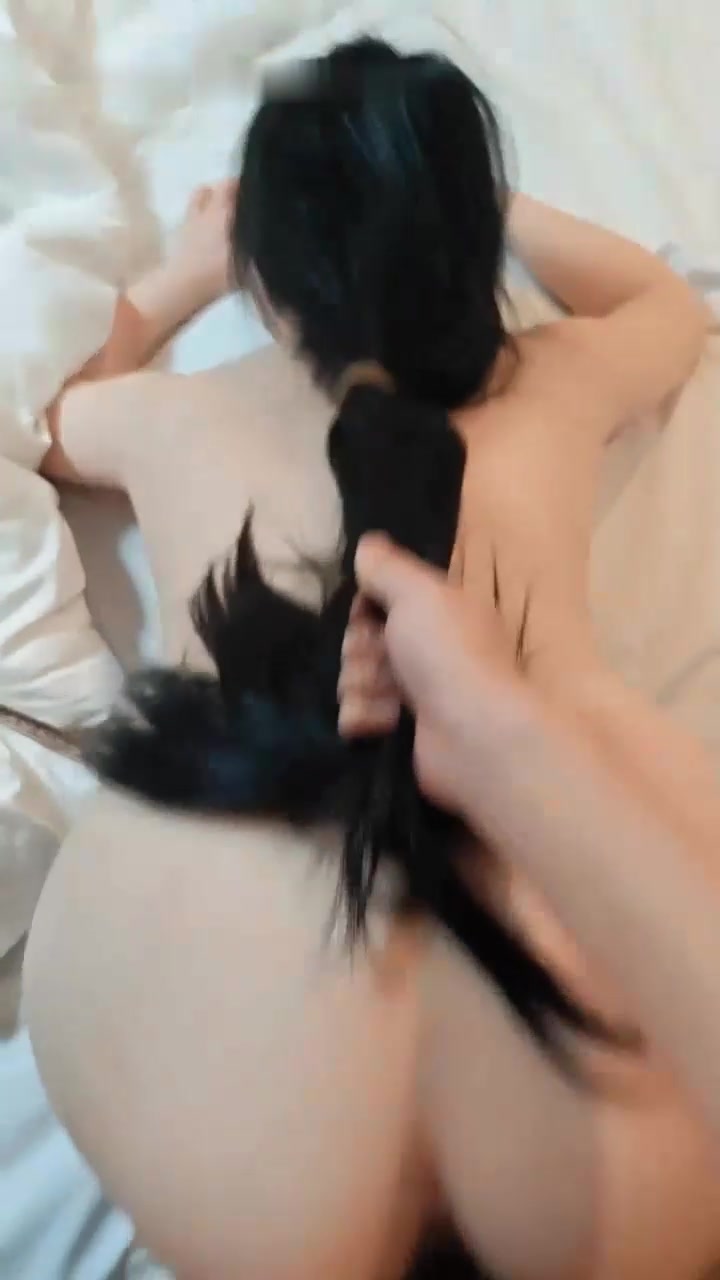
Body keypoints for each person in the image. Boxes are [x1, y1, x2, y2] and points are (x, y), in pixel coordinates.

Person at [23, 37, 720, 1280]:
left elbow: (54, 413)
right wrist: (477, 207)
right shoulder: (555, 381)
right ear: (467, 260)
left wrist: (191, 268)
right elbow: (664, 306)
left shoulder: (178, 414)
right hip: (641, 1148)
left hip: (212, 1110)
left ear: (267, 277)